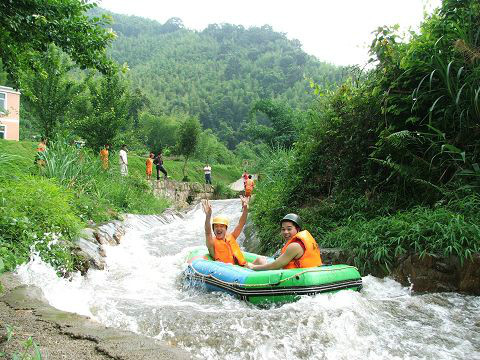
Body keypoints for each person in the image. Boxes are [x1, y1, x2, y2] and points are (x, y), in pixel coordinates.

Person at [245, 214, 322, 271]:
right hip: (310, 273)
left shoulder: (295, 246)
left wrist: (253, 267)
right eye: (283, 229)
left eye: (289, 229)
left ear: (297, 229)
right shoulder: (302, 242)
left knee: (259, 261)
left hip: (298, 278)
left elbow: (275, 265)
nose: (285, 232)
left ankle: (246, 270)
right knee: (260, 259)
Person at [202, 197, 250, 266]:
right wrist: (208, 215)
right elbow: (208, 233)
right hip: (227, 271)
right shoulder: (211, 244)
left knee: (260, 260)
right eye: (216, 226)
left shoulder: (232, 236)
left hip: (242, 268)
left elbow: (241, 224)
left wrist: (245, 209)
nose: (218, 228)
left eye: (221, 226)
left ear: (226, 228)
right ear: (213, 229)